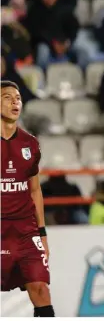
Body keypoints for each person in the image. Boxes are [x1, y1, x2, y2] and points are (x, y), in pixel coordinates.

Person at [0, 80, 55, 316]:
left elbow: (35, 191)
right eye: (7, 97)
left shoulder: (30, 144)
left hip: (26, 230)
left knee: (40, 288)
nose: (15, 102)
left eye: (18, 98)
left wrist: (41, 233)